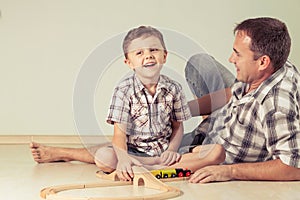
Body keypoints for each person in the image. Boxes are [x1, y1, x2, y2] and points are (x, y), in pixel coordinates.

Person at [30, 26, 225, 181]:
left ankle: (154, 166)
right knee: (105, 158)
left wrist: (172, 150)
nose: (148, 55)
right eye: (139, 53)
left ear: (164, 56)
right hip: (134, 151)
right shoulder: (124, 90)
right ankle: (147, 166)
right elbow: (119, 135)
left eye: (153, 50)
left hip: (165, 147)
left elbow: (177, 127)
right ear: (129, 62)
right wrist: (123, 159)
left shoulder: (173, 89)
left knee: (211, 153)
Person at [186, 17, 300, 183]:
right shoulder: (274, 63)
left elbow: (294, 167)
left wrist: (229, 171)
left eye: (238, 54)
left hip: (218, 152)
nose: (231, 59)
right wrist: (182, 109)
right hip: (225, 122)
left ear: (263, 62)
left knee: (150, 156)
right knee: (200, 63)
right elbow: (232, 92)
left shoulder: (275, 106)